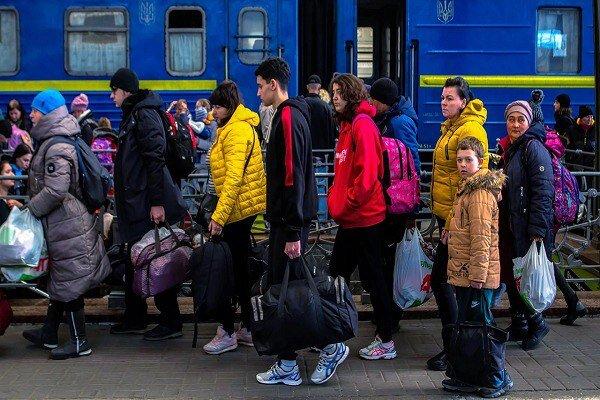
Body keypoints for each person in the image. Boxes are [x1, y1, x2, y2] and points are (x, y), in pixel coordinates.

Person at [254, 58, 344, 387]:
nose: (258, 92)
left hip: (289, 223)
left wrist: (292, 230)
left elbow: (291, 176)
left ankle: (327, 347)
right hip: (289, 220)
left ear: (273, 84)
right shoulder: (293, 115)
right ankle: (289, 360)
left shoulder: (288, 117)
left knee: (289, 289)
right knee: (287, 288)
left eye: (261, 86)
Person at [21, 89, 110, 359]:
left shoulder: (56, 146)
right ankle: (49, 333)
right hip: (64, 222)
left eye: (35, 110)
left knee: (69, 281)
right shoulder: (55, 139)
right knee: (61, 278)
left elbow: (56, 190)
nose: (31, 115)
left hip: (68, 223)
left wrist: (30, 210)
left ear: (47, 113)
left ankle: (79, 342)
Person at [108, 68, 188, 341]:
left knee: (157, 256)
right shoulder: (134, 114)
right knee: (135, 258)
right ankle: (135, 316)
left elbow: (155, 160)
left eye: (114, 91)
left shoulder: (144, 115)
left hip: (145, 204)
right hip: (136, 202)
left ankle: (171, 320)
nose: (112, 97)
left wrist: (156, 203)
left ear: (125, 90)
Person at [327, 73, 397, 361]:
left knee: (371, 278)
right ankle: (333, 332)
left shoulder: (362, 125)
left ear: (352, 95)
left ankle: (386, 339)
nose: (335, 97)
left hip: (365, 217)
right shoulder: (348, 125)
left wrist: (347, 201)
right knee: (340, 274)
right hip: (353, 217)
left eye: (340, 92)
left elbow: (367, 174)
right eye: (333, 92)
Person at [441, 137, 512, 398]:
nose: (462, 164)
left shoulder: (479, 194)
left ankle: (498, 378)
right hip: (465, 272)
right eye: (459, 160)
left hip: (475, 274)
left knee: (483, 327)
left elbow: (481, 239)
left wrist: (478, 276)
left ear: (480, 162)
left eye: (468, 160)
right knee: (473, 326)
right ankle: (471, 376)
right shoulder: (467, 190)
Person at [428, 76, 489, 371]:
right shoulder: (451, 127)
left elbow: (473, 180)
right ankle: (457, 347)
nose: (444, 102)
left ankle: (456, 348)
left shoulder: (470, 129)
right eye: (442, 97)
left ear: (464, 101)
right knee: (448, 282)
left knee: (445, 281)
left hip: (459, 222)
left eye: (450, 98)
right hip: (448, 218)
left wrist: (453, 221)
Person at [201, 80, 266, 354]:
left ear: (229, 106)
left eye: (217, 106)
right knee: (238, 271)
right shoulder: (232, 127)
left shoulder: (236, 130)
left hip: (237, 210)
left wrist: (218, 217)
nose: (213, 111)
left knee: (227, 272)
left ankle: (228, 331)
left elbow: (233, 179)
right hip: (240, 208)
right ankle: (247, 327)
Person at [498, 101, 553, 351]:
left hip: (528, 227)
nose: (516, 124)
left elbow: (543, 191)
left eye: (521, 120)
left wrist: (537, 231)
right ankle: (519, 321)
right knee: (513, 274)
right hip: (512, 224)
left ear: (529, 123)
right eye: (511, 119)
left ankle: (537, 322)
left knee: (526, 276)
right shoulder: (512, 149)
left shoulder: (533, 148)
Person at [370, 77, 420, 331]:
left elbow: (412, 160)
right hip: (387, 198)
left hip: (397, 202)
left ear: (383, 101)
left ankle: (393, 313)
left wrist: (412, 204)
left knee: (391, 259)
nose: (371, 103)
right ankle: (388, 311)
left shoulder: (399, 123)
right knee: (385, 258)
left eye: (374, 99)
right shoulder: (387, 119)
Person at [304, 75, 336, 152]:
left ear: (307, 87)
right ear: (319, 87)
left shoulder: (301, 105)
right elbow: (331, 131)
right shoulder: (326, 107)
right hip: (322, 152)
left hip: (305, 151)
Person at [565, 105, 596, 170]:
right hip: (575, 163)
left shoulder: (596, 129)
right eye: (587, 117)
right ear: (581, 118)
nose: (590, 119)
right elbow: (568, 146)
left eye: (591, 116)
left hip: (591, 164)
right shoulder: (572, 129)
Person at [0, 156, 22, 225]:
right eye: (8, 172)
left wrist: (19, 206)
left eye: (12, 171)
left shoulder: (11, 197)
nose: (13, 175)